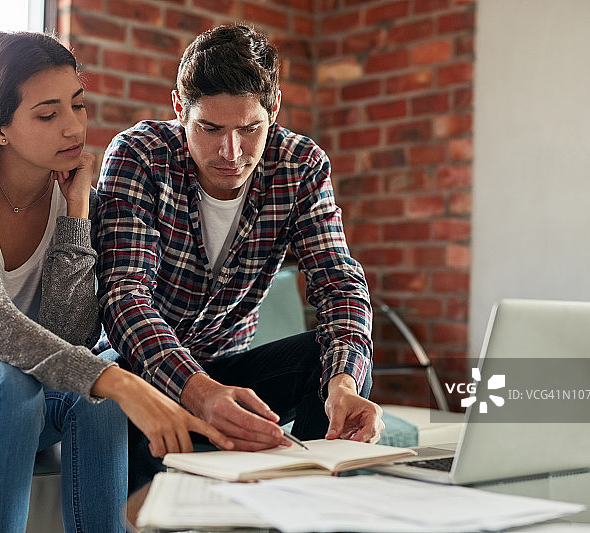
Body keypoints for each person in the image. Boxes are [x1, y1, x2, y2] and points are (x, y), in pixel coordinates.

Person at [0, 31, 230, 533]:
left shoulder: (67, 196)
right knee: (11, 383)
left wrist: (75, 214)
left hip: (1, 399)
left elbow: (68, 341)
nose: (73, 127)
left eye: (78, 105)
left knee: (93, 394)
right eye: (48, 114)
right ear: (0, 127)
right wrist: (123, 383)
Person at [95, 23, 385, 492]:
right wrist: (200, 392)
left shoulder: (299, 165)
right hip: (146, 375)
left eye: (251, 129)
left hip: (233, 371)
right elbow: (123, 297)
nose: (232, 152)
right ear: (179, 109)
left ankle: (306, 506)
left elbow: (339, 284)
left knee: (333, 360)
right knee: (117, 381)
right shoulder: (139, 156)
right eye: (210, 129)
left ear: (274, 109)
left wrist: (345, 383)